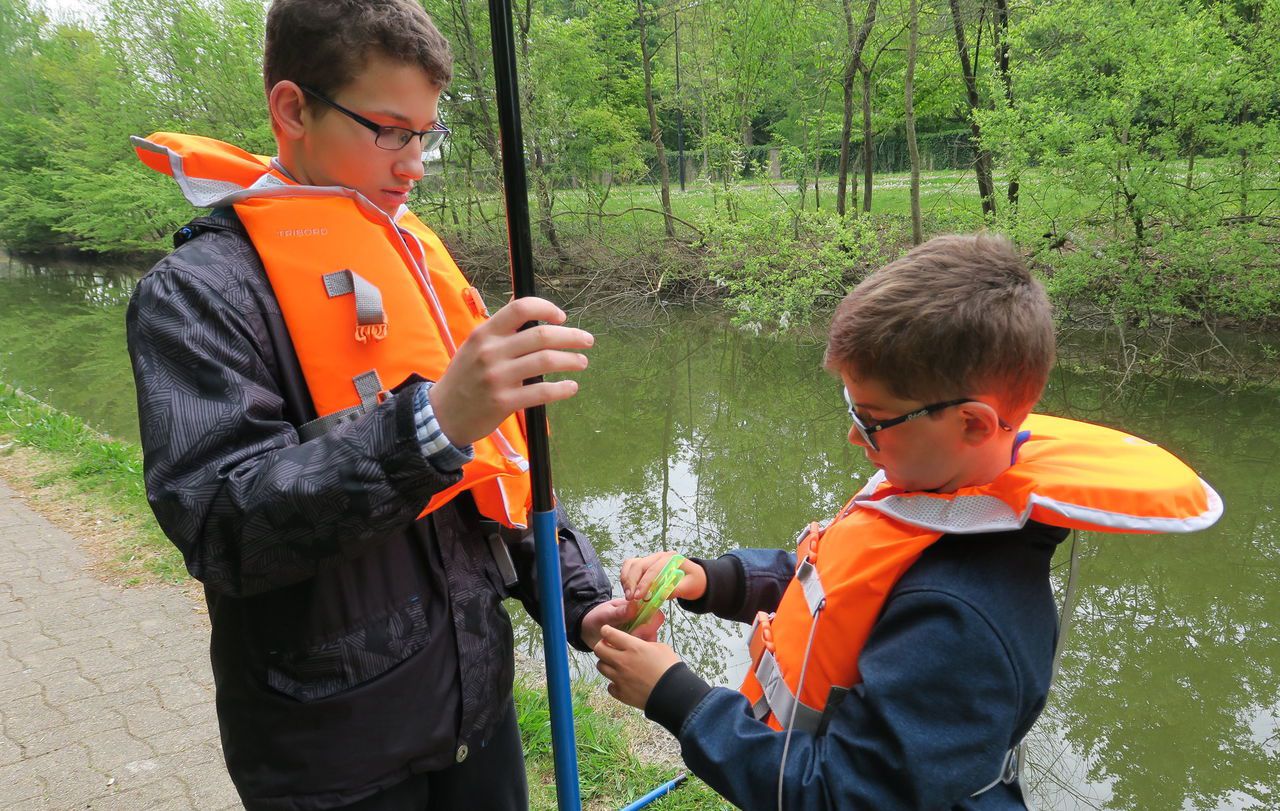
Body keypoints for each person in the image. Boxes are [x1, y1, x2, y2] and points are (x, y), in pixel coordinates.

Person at [125, 1, 651, 808]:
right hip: (330, 754)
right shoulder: (196, 294)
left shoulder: (410, 261)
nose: (416, 164)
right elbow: (223, 527)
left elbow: (500, 481)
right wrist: (429, 424)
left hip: (478, 715)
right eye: (391, 130)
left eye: (427, 134)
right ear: (293, 109)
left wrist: (581, 601)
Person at [595, 234, 1222, 810]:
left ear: (973, 422)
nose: (853, 434)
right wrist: (709, 580)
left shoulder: (962, 618)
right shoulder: (933, 485)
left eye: (873, 419)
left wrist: (677, 698)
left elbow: (843, 795)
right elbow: (828, 589)